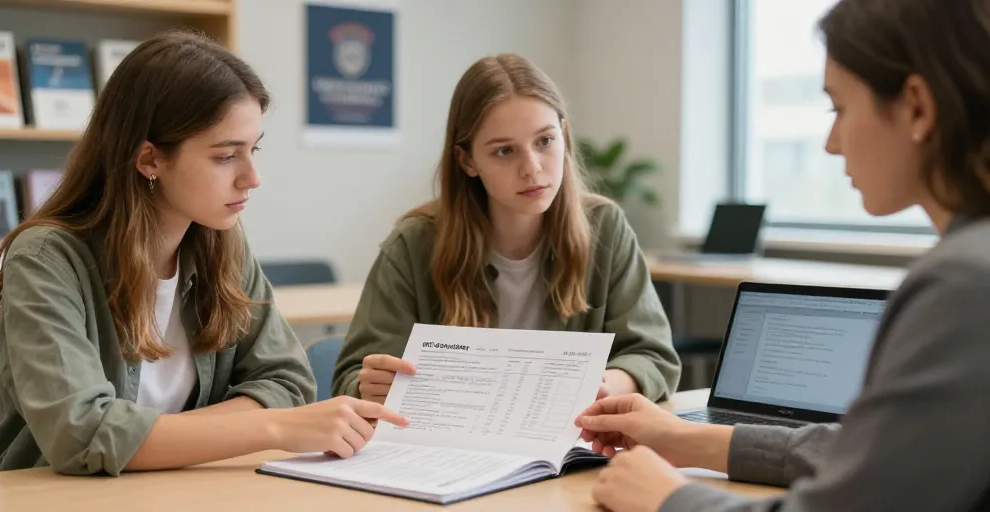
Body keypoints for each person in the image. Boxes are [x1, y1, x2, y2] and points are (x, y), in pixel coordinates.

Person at [575, 0, 990, 510]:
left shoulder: (963, 284)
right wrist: (690, 440)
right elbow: (885, 452)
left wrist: (670, 499)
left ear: (918, 107)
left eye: (839, 108)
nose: (831, 144)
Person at [0, 30, 407, 477]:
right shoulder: (46, 259)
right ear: (149, 160)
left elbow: (288, 381)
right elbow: (84, 435)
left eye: (253, 149)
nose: (252, 177)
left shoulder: (222, 242)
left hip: (184, 491)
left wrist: (157, 439)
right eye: (226, 156)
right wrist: (274, 428)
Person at [331, 53, 681, 406]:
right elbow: (352, 377)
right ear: (467, 161)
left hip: (575, 448)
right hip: (453, 450)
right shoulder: (414, 242)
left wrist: (605, 386)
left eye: (545, 141)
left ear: (564, 134)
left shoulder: (605, 227)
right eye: (504, 151)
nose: (531, 168)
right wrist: (370, 386)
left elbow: (653, 356)